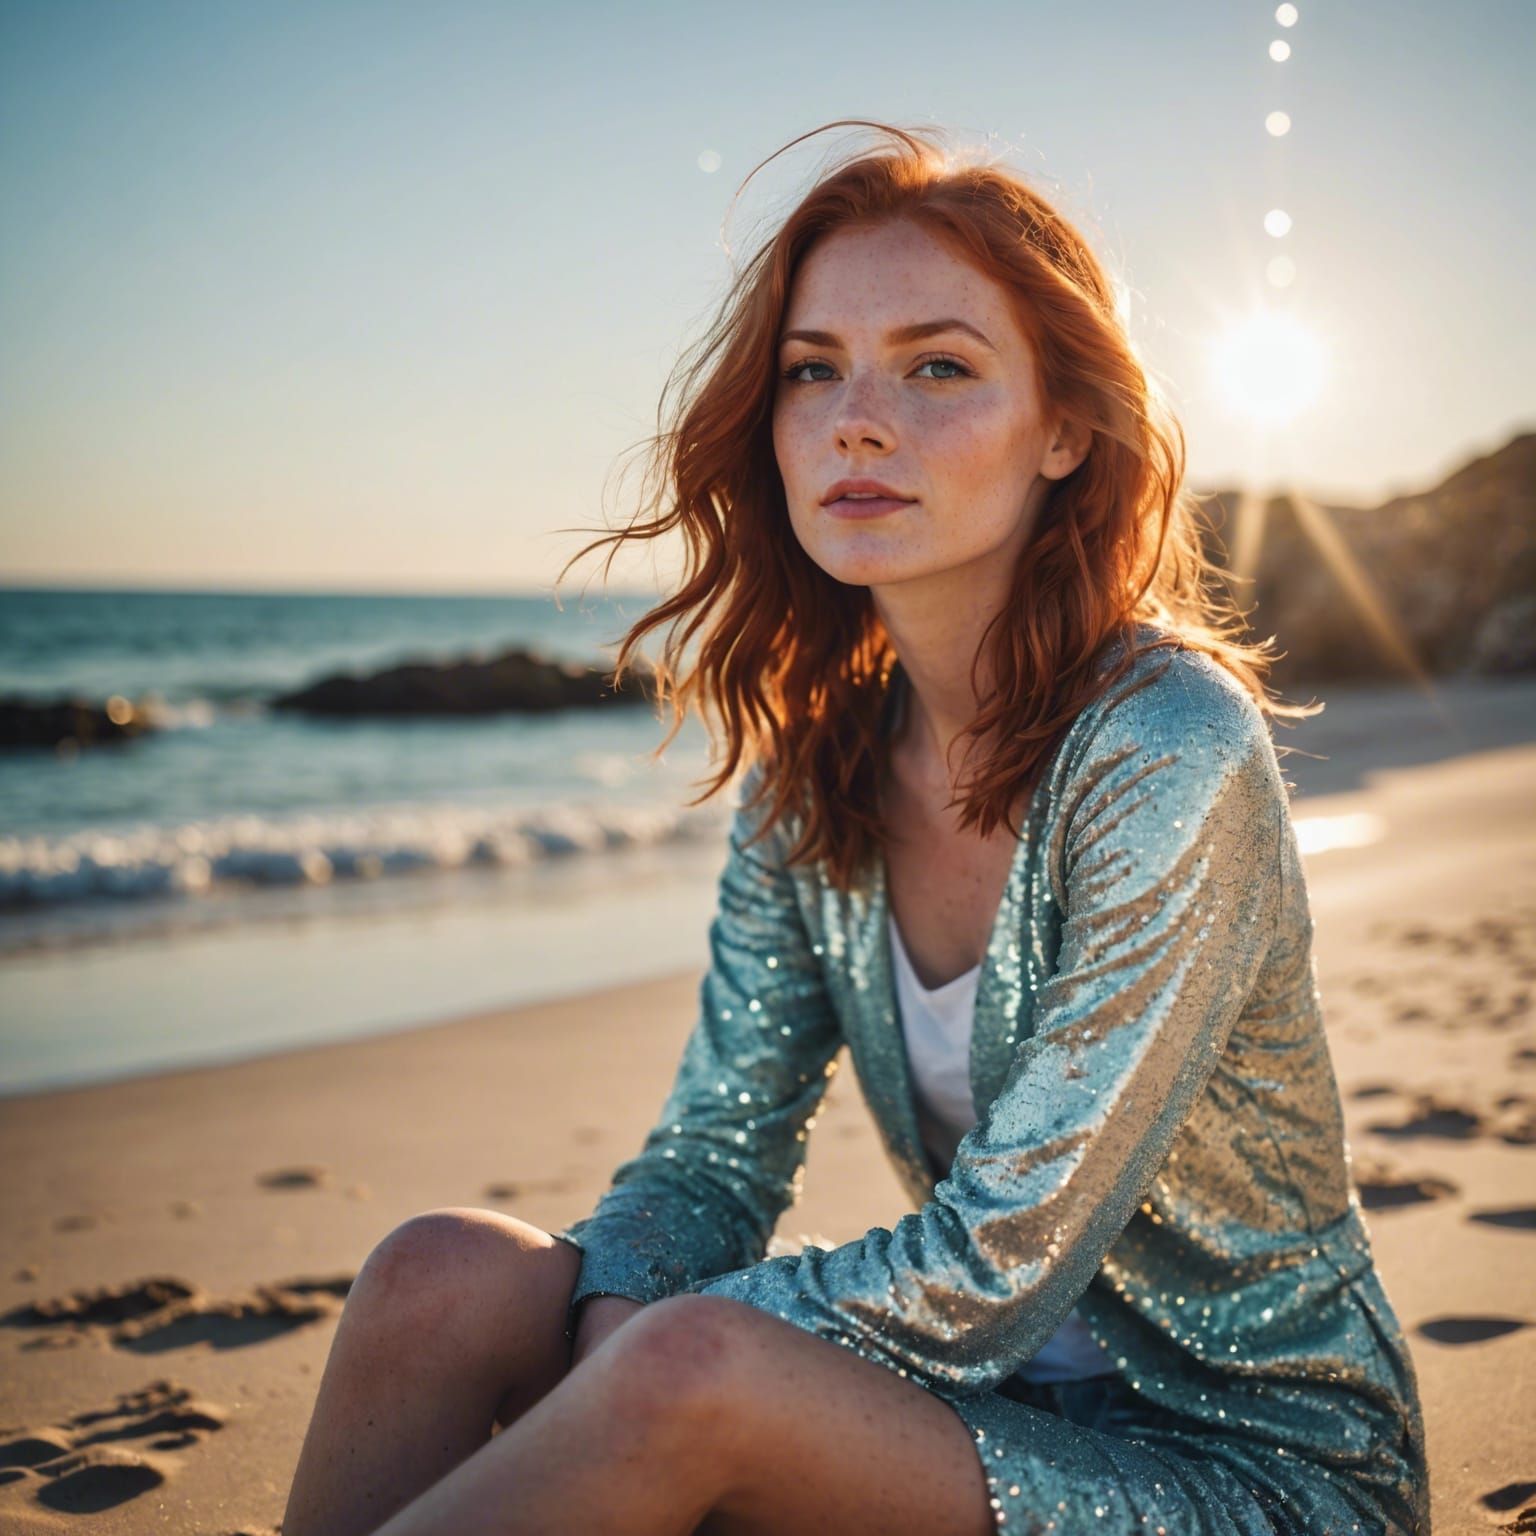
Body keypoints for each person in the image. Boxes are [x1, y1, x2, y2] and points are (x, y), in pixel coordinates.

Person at [281, 121, 1430, 1536]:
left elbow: (999, 1261)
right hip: (980, 1407)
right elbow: (715, 1157)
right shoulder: (812, 766)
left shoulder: (1167, 745)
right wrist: (625, 1323)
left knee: (695, 1362)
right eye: (812, 370)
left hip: (1253, 1462)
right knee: (437, 1275)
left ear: (1066, 428)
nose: (855, 420)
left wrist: (651, 1366)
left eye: (937, 366)